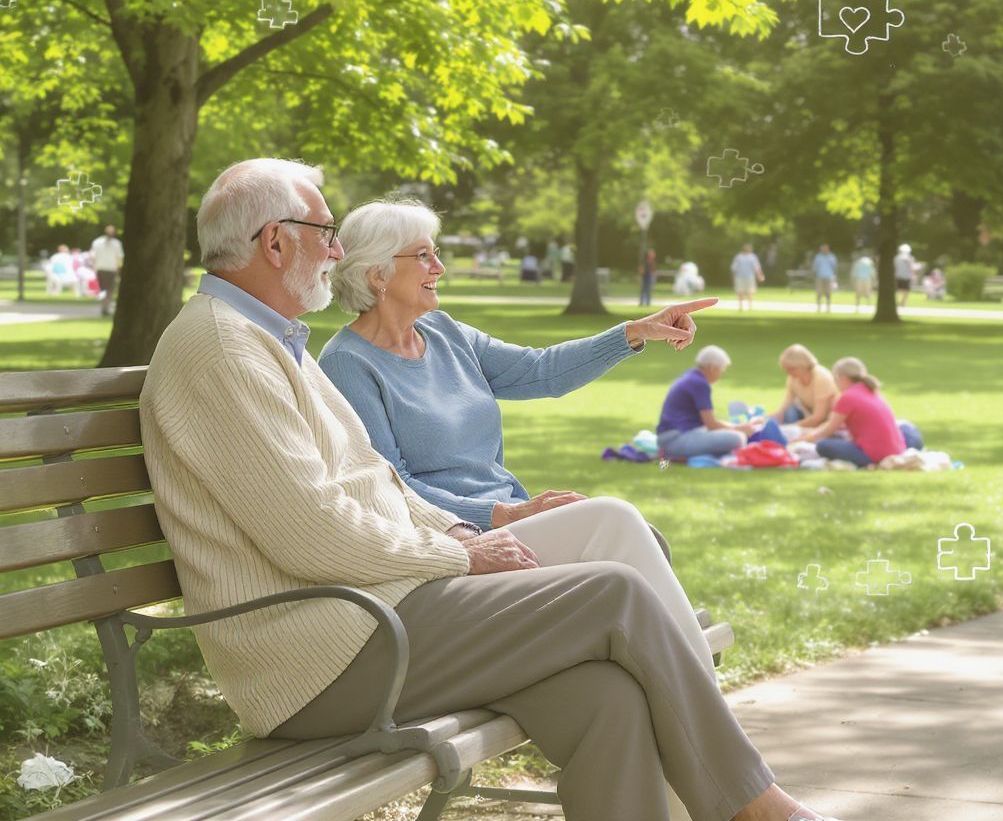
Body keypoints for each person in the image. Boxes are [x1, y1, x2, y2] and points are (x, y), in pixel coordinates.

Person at [140, 158, 844, 821]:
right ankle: (757, 806)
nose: (334, 250)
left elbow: (376, 479)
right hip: (322, 656)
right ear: (273, 243)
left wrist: (456, 532)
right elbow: (310, 530)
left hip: (377, 614)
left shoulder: (271, 338)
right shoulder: (226, 348)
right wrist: (463, 556)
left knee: (606, 696)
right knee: (615, 593)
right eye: (325, 233)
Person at [320, 199, 719, 685]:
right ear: (377, 272)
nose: (439, 267)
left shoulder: (444, 333)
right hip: (462, 543)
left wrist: (633, 333)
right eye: (423, 256)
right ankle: (698, 685)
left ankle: (678, 687)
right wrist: (501, 515)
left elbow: (539, 371)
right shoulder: (346, 364)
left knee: (639, 538)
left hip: (511, 519)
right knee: (615, 520)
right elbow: (389, 485)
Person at [801, 357, 924, 468]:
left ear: (841, 377)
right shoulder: (871, 391)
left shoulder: (848, 396)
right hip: (896, 449)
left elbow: (829, 429)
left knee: (823, 445)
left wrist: (803, 439)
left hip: (873, 454)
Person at [656, 346, 756, 461]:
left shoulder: (691, 376)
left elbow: (708, 423)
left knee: (729, 434)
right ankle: (676, 455)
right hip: (676, 439)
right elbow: (711, 424)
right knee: (738, 438)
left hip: (675, 436)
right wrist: (738, 429)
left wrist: (735, 427)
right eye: (721, 369)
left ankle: (685, 455)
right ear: (712, 368)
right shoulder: (700, 384)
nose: (721, 374)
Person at [770, 345, 839, 430]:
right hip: (807, 412)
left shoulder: (821, 378)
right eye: (786, 369)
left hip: (827, 419)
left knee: (790, 419)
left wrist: (790, 427)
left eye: (791, 369)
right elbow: (788, 400)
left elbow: (819, 417)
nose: (788, 372)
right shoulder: (793, 377)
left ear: (803, 365)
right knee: (789, 411)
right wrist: (778, 414)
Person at [90, 223, 125, 316]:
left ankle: (104, 306)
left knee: (103, 289)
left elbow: (93, 256)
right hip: (110, 269)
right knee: (109, 290)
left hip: (101, 268)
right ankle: (105, 306)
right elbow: (119, 258)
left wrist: (94, 267)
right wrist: (119, 269)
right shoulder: (116, 243)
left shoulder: (97, 242)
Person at [731, 243, 765, 312]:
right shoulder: (739, 257)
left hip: (750, 277)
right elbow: (734, 268)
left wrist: (759, 276)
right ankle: (741, 307)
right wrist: (733, 277)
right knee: (740, 292)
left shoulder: (752, 257)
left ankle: (750, 307)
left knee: (750, 292)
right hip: (740, 277)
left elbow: (757, 268)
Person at [811, 243, 838, 313]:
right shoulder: (818, 257)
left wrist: (834, 276)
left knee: (828, 293)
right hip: (820, 276)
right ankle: (818, 307)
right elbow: (815, 267)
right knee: (819, 292)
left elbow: (834, 267)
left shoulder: (832, 257)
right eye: (823, 249)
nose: (824, 250)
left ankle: (828, 308)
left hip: (829, 277)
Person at [894, 243, 915, 308]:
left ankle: (901, 302)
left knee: (899, 290)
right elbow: (912, 267)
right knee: (905, 290)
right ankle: (903, 302)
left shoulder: (897, 258)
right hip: (906, 276)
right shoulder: (910, 258)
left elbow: (895, 267)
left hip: (899, 276)